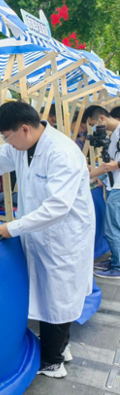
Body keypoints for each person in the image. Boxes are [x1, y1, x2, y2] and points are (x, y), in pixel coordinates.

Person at [0, 100, 95, 379]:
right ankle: (59, 348)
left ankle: (53, 362)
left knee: (58, 296)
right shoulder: (20, 147)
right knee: (48, 294)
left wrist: (13, 228)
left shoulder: (61, 153)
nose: (6, 143)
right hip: (39, 232)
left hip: (64, 235)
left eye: (7, 137)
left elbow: (58, 207)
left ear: (24, 129)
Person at [83, 105, 120, 278]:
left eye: (93, 124)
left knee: (112, 228)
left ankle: (118, 267)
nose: (94, 129)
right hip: (114, 185)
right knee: (114, 226)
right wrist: (101, 175)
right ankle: (115, 259)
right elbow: (110, 164)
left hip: (118, 188)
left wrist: (87, 174)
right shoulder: (114, 135)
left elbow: (112, 165)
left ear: (101, 119)